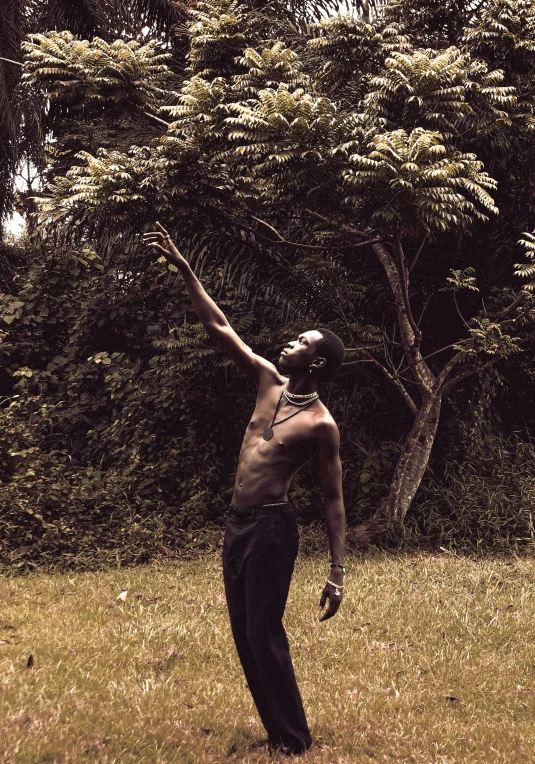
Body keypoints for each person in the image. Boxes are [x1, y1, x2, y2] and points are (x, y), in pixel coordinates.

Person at [143, 222, 346, 756]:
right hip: (237, 523)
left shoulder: (321, 424)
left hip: (272, 529)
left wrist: (337, 572)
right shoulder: (266, 380)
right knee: (244, 634)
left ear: (317, 362)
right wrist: (185, 268)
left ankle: (296, 739)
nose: (289, 342)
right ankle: (277, 731)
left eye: (301, 342)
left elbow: (333, 499)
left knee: (264, 632)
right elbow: (219, 325)